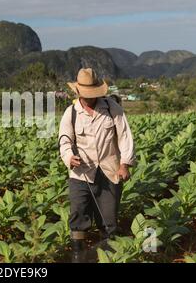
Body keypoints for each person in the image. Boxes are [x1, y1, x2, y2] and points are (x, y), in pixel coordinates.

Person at [58, 68, 136, 263]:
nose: (88, 98)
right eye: (85, 95)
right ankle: (78, 256)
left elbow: (126, 137)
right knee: (78, 213)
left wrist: (125, 164)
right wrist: (69, 157)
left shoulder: (112, 108)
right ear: (78, 93)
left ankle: (107, 256)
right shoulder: (71, 113)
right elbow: (64, 140)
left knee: (108, 218)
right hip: (81, 173)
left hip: (110, 170)